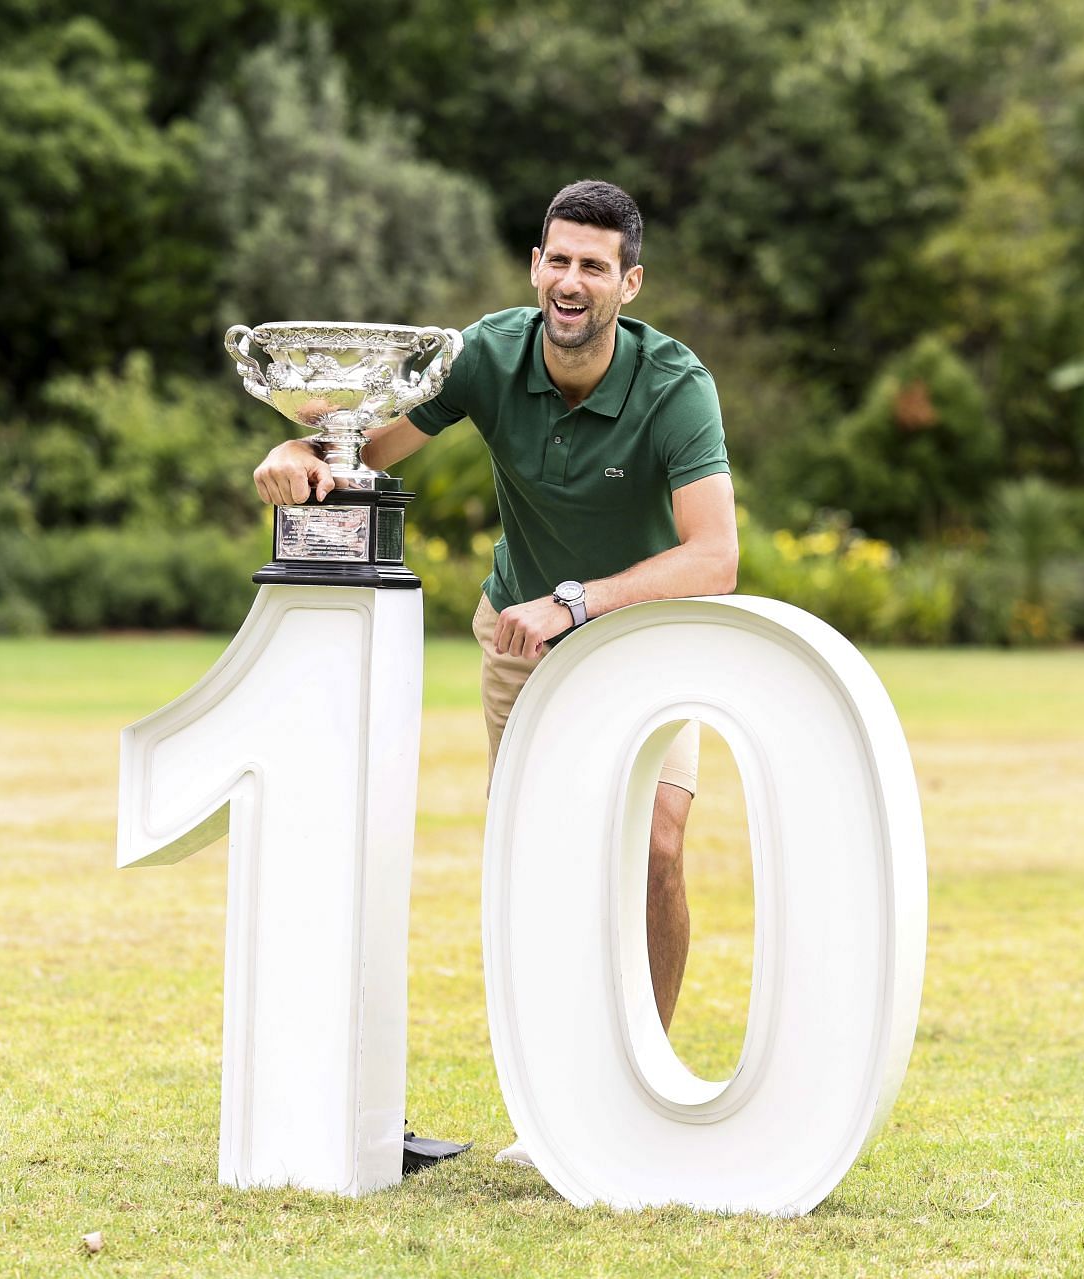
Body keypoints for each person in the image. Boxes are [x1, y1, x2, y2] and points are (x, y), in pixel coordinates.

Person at [252, 179, 738, 1161]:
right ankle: (557, 1103)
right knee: (541, 865)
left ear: (628, 282)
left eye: (593, 266)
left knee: (655, 848)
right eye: (556, 259)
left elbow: (713, 557)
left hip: (646, 636)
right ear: (535, 266)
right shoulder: (485, 354)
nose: (570, 280)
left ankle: (645, 1084)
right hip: (521, 646)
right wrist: (298, 453)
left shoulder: (675, 384)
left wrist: (577, 601)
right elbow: (365, 453)